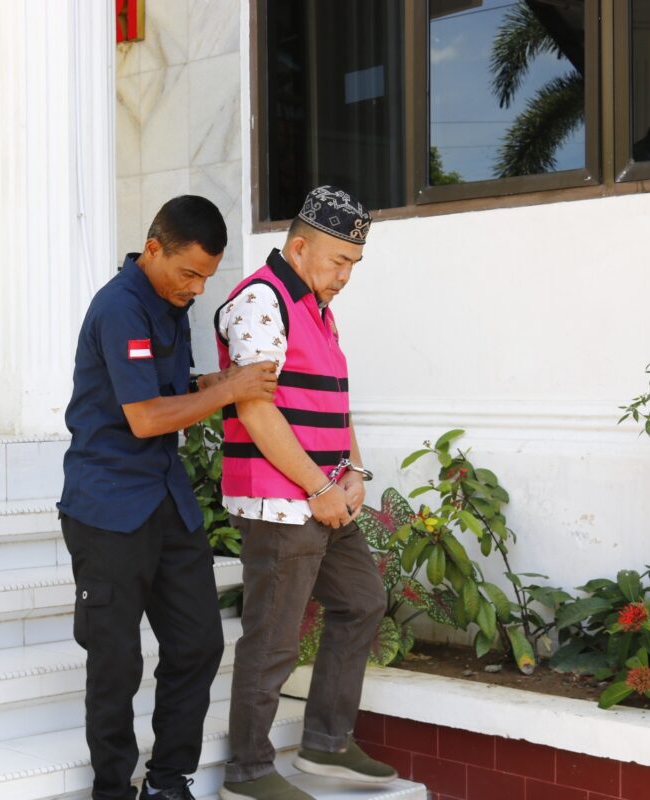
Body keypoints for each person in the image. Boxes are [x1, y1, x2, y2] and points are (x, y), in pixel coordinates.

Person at [59, 195, 279, 800]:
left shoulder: (170, 300)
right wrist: (228, 389)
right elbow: (146, 417)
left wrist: (209, 382)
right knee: (116, 660)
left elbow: (164, 386)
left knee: (198, 642)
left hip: (164, 497)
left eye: (207, 277)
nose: (197, 288)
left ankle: (168, 780)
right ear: (153, 249)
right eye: (189, 274)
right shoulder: (120, 307)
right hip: (108, 505)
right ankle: (112, 789)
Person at [216, 186, 395, 800]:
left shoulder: (315, 306)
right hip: (280, 501)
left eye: (353, 264)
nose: (345, 276)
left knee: (361, 601)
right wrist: (319, 484)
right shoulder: (260, 302)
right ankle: (247, 772)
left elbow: (334, 401)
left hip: (323, 497)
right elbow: (255, 408)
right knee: (273, 638)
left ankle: (326, 743)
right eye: (338, 260)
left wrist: (353, 472)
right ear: (298, 248)